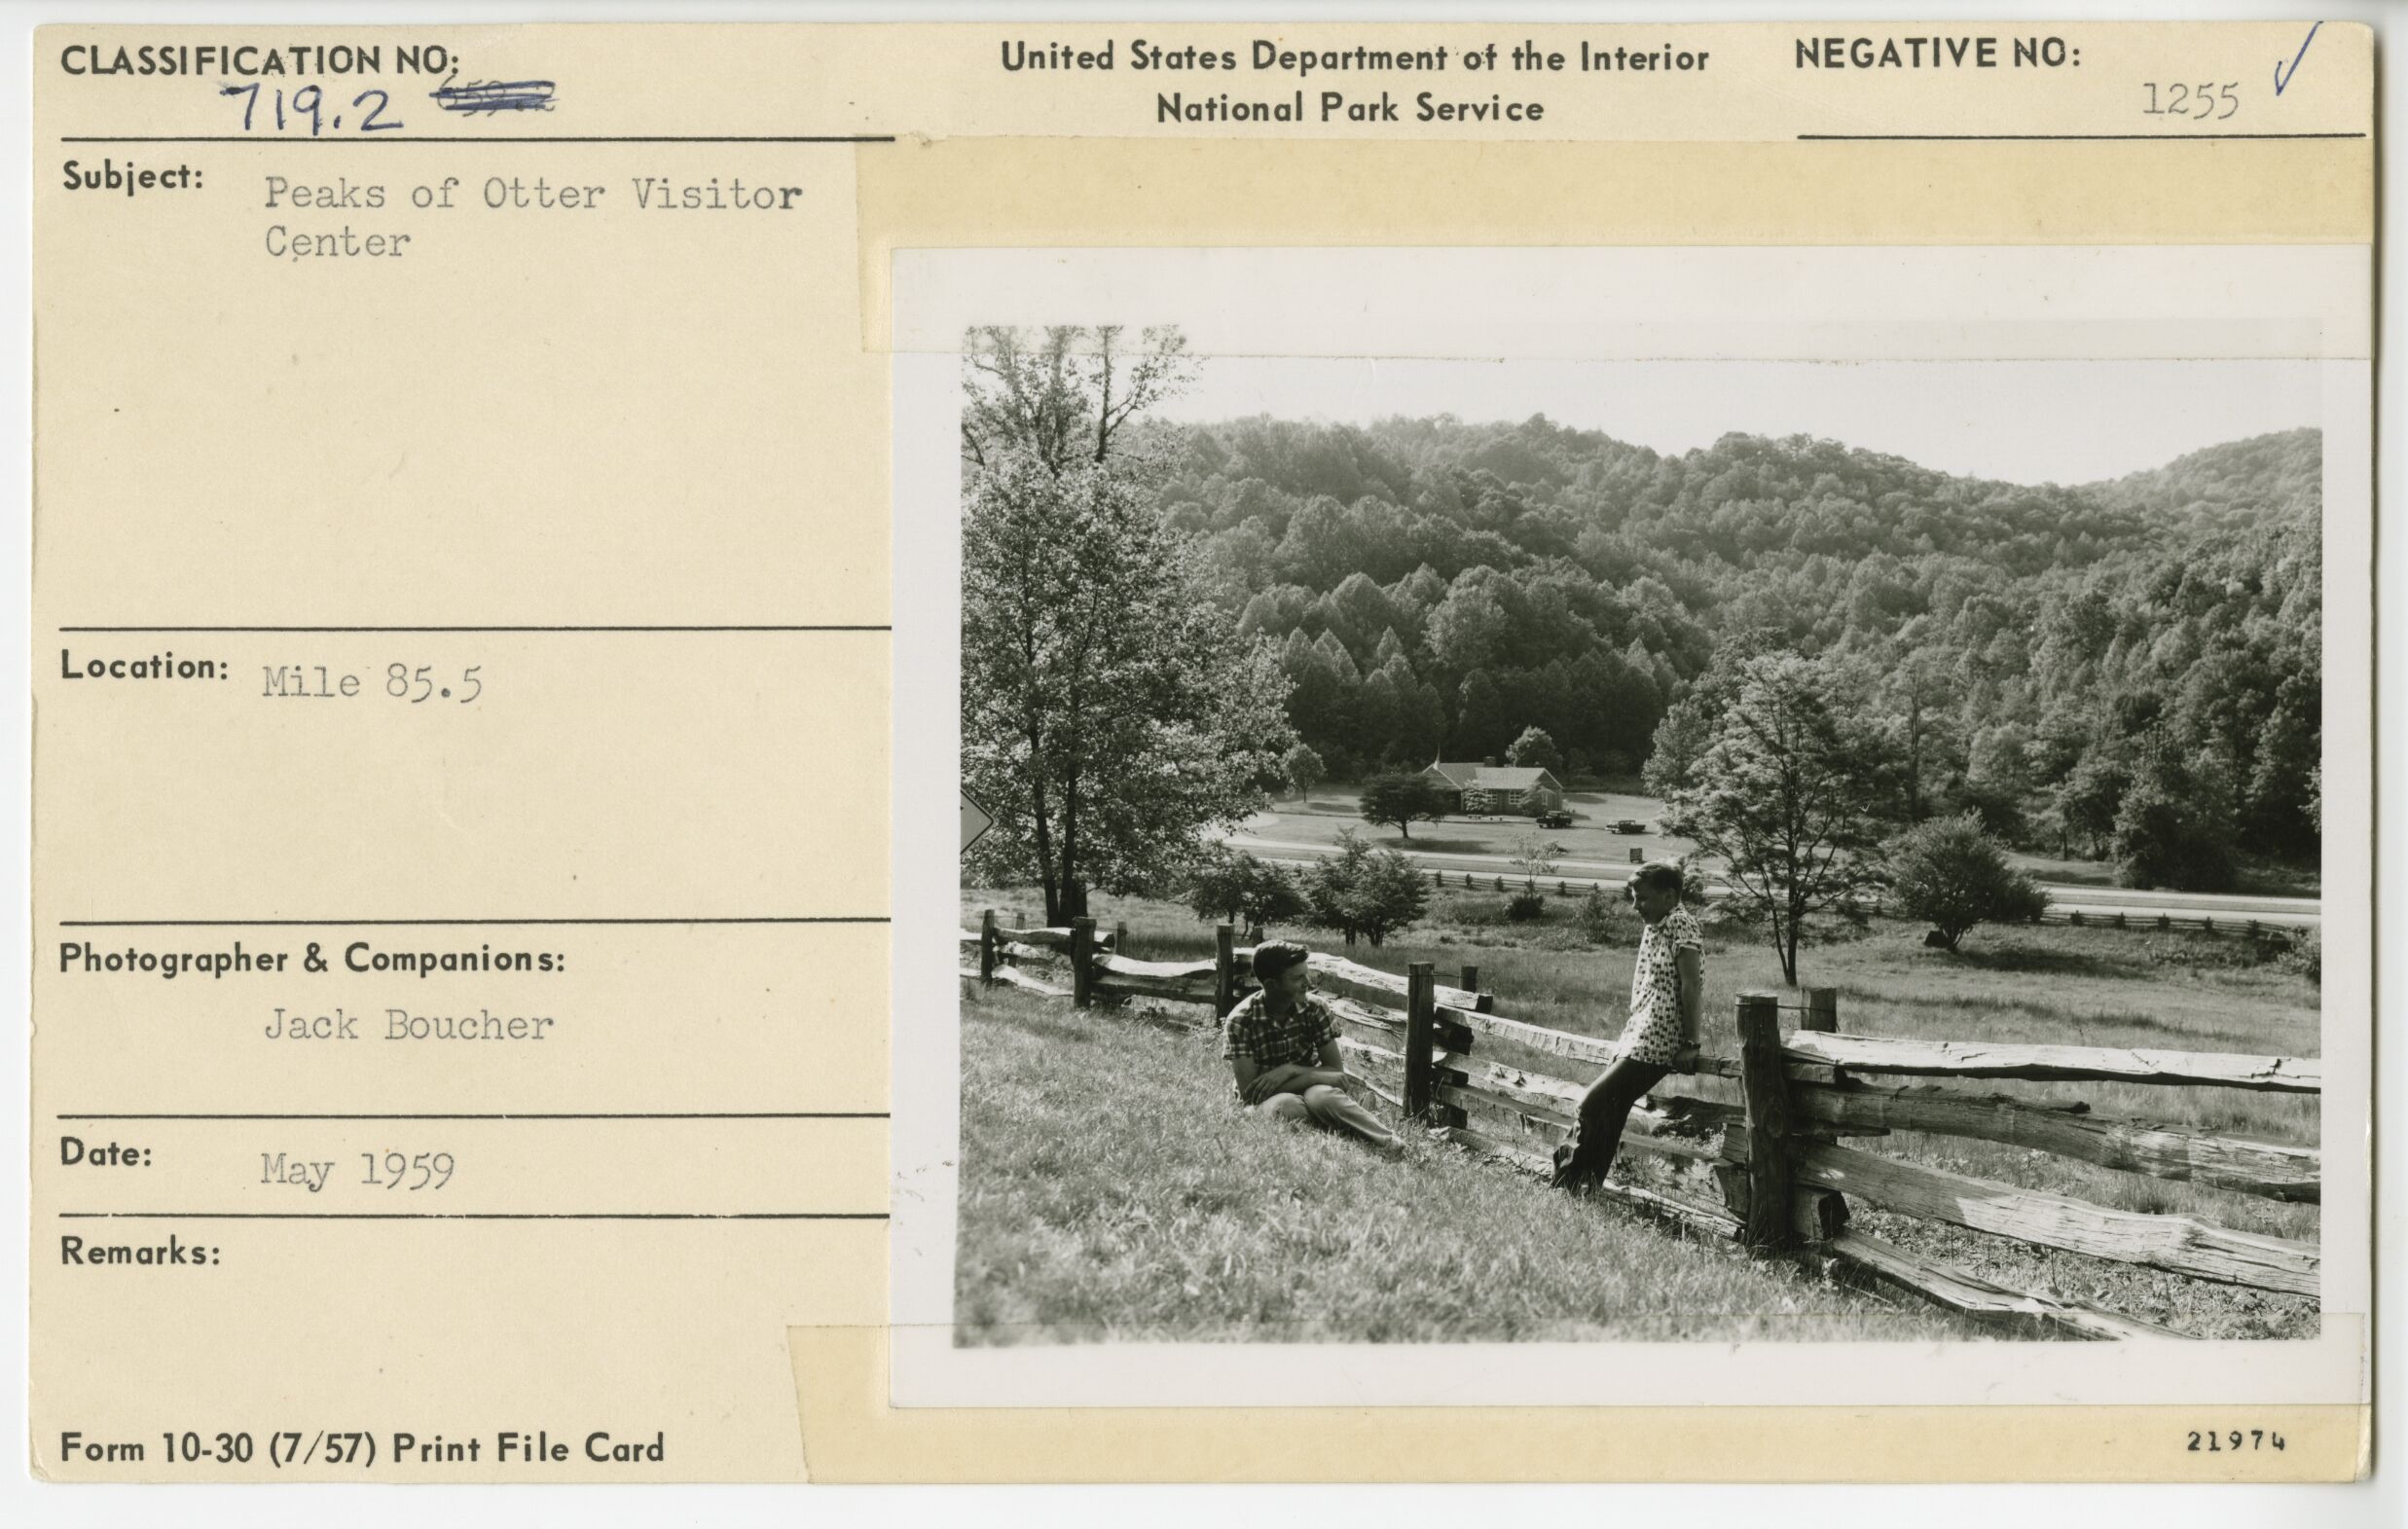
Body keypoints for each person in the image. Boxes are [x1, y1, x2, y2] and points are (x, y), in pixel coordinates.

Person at [1551, 859, 1703, 1192]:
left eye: (1643, 898)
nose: (1636, 906)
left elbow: (1691, 984)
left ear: (1669, 896)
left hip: (1658, 1041)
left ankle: (1564, 1185)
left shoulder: (1681, 924)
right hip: (1639, 1034)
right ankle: (1584, 1189)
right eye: (1634, 898)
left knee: (1591, 1104)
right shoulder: (1656, 925)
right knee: (1611, 1111)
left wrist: (1691, 1043)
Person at [1224, 939, 1406, 1154]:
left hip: (1312, 1089)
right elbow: (1251, 1094)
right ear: (1272, 984)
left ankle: (1390, 1142)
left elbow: (1336, 1073)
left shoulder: (1315, 1008)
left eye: (1306, 974)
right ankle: (1342, 1121)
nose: (1308, 983)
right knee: (1286, 1105)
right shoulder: (1241, 1020)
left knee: (1321, 1097)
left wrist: (1290, 1071)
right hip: (1268, 1100)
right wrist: (1314, 1077)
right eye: (1297, 978)